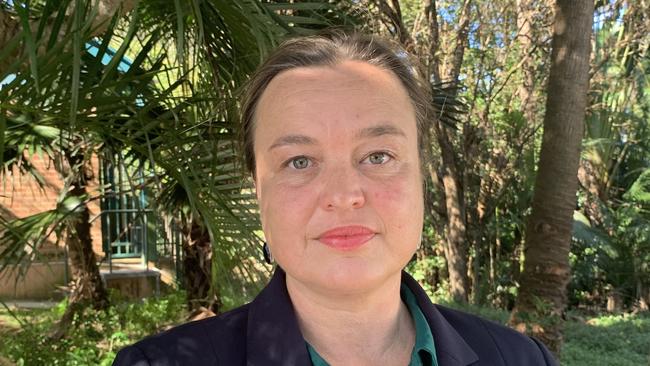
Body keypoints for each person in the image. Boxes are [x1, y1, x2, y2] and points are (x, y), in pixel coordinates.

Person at [113, 31, 558, 366]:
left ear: (421, 175)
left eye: (378, 155)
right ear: (257, 189)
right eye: (300, 161)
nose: (345, 196)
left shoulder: (521, 358)